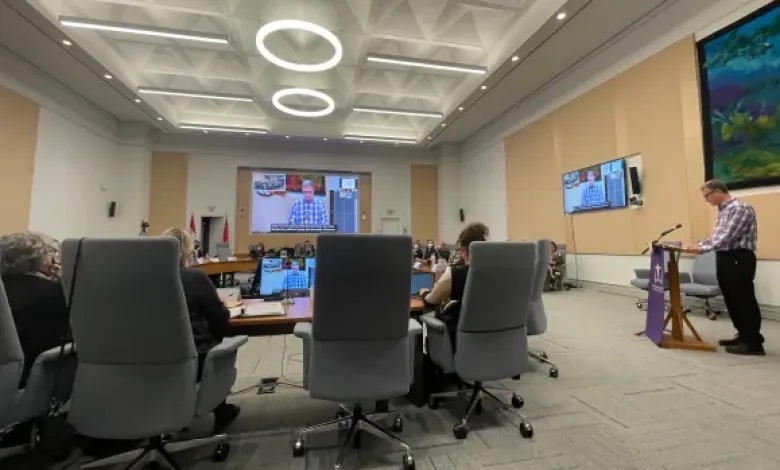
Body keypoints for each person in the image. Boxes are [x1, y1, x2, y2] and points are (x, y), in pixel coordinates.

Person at [162, 228, 240, 433]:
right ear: (188, 252)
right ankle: (220, 411)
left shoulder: (143, 281)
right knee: (215, 344)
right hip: (193, 362)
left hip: (151, 367)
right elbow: (220, 320)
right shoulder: (194, 278)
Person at [684, 180, 762, 356]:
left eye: (707, 196)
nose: (706, 200)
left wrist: (702, 249)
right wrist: (698, 244)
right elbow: (716, 237)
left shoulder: (739, 208)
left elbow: (727, 237)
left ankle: (753, 342)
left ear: (718, 191)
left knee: (743, 299)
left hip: (738, 258)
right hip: (725, 258)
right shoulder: (724, 210)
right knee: (731, 299)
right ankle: (743, 335)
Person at [0, 232, 69, 389]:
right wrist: (62, 280)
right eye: (52, 253)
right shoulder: (57, 292)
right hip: (28, 381)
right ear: (44, 259)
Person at [419, 222, 489, 351]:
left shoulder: (454, 274)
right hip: (497, 342)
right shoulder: (499, 273)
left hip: (462, 345)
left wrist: (424, 292)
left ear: (463, 251)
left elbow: (432, 300)